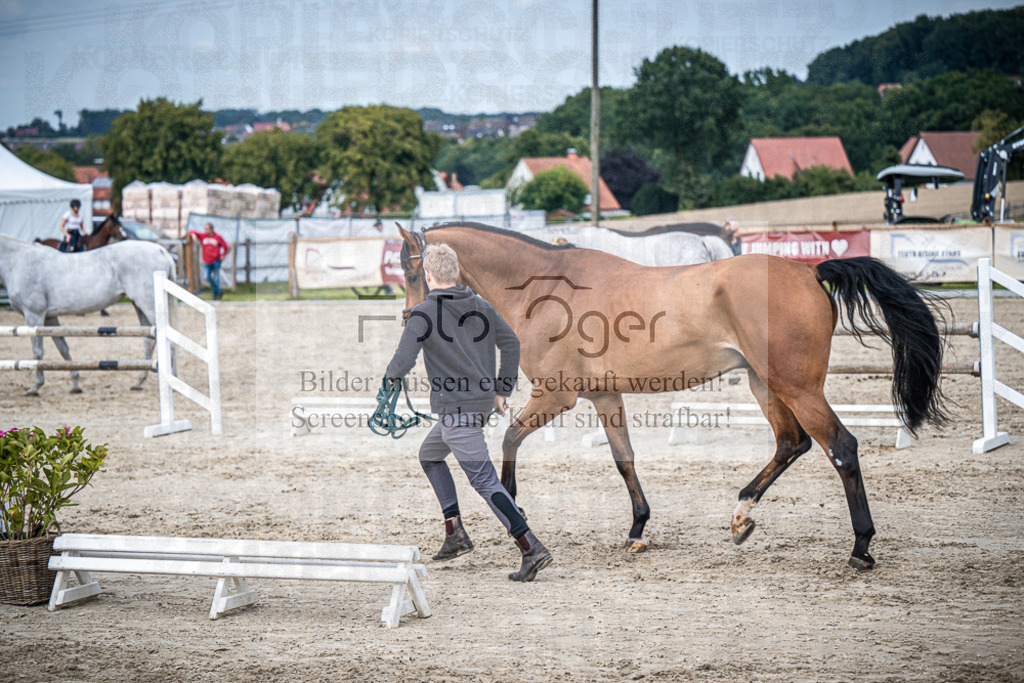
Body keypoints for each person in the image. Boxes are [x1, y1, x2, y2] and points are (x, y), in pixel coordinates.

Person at [385, 243, 553, 582]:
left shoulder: (423, 313)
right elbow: (512, 344)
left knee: (485, 480)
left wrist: (387, 384)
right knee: (430, 456)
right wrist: (502, 389)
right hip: (475, 407)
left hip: (456, 412)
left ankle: (530, 547)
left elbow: (403, 361)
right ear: (457, 272)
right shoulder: (481, 305)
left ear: (428, 276)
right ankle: (455, 533)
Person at [187, 223, 231, 300]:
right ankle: (219, 291)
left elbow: (226, 247)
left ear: (211, 229)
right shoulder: (203, 236)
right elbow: (191, 231)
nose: (205, 230)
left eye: (207, 229)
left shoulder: (217, 237)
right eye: (205, 229)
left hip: (216, 260)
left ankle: (215, 296)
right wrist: (193, 235)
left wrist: (223, 255)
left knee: (216, 278)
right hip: (207, 261)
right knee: (206, 277)